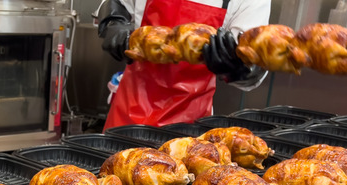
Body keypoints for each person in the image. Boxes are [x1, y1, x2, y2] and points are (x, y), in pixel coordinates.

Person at [95, 0, 271, 129]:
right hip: (128, 115)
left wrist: (235, 66)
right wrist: (114, 23)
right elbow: (116, 4)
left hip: (189, 127)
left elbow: (254, 66)